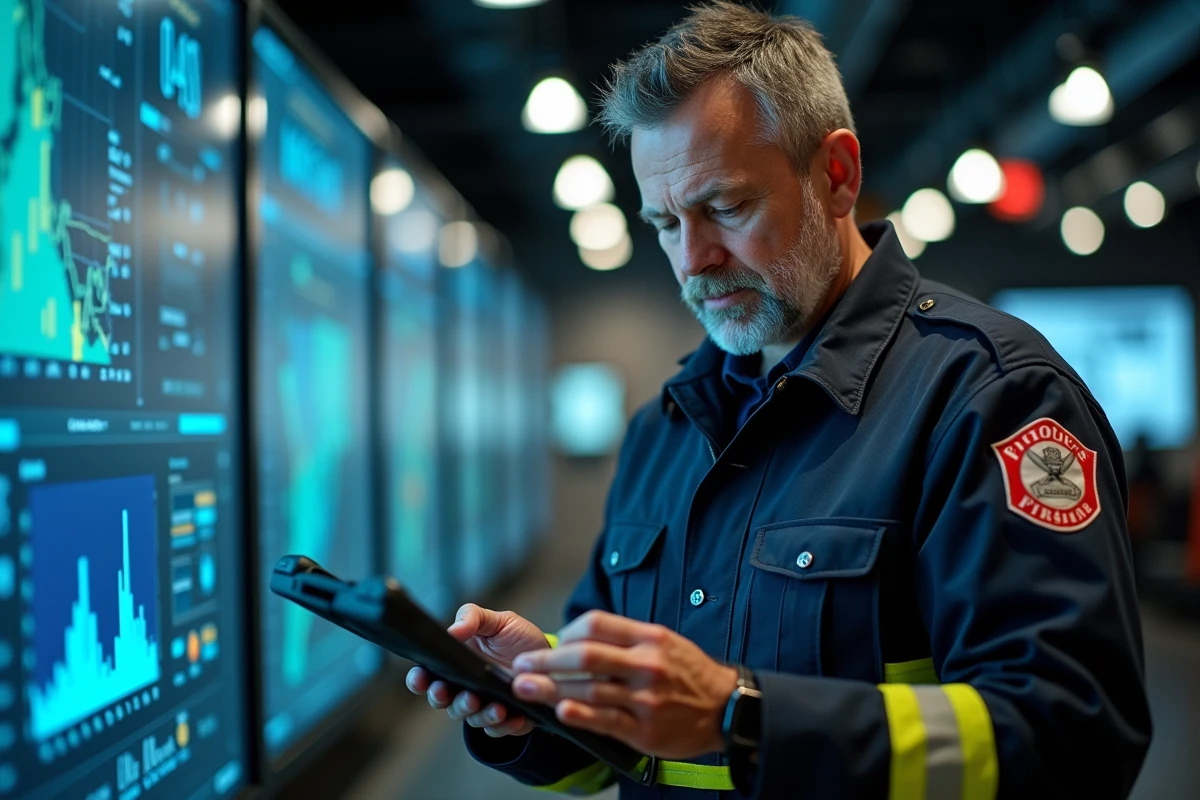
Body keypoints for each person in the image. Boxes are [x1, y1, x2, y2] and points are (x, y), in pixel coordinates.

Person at [407, 3, 1152, 797]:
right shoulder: (665, 429)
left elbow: (1073, 739)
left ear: (836, 176)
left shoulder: (989, 399)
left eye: (724, 207)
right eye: (664, 223)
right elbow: (621, 757)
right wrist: (538, 699)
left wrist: (747, 717)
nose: (693, 259)